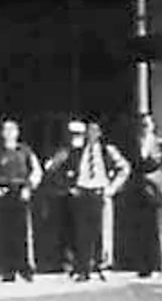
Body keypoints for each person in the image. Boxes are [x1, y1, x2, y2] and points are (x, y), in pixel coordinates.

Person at [45, 117, 124, 282]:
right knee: (82, 232)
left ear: (100, 133)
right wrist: (69, 187)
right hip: (82, 192)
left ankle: (103, 266)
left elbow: (124, 168)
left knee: (102, 231)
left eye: (95, 131)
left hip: (100, 191)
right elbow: (54, 168)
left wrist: (113, 187)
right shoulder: (75, 151)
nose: (91, 134)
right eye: (88, 131)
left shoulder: (107, 150)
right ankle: (83, 267)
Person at [0, 116, 42, 281]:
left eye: (13, 130)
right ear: (2, 133)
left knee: (24, 233)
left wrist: (29, 187)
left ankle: (25, 269)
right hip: (4, 193)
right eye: (6, 130)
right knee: (6, 233)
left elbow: (36, 171)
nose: (10, 133)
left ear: (18, 132)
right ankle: (8, 270)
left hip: (21, 192)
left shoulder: (25, 150)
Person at [116, 112, 162, 278]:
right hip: (139, 191)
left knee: (159, 229)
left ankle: (161, 265)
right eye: (142, 125)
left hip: (157, 191)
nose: (145, 127)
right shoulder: (133, 144)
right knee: (142, 229)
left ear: (153, 126)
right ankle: (144, 266)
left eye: (147, 124)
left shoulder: (161, 144)